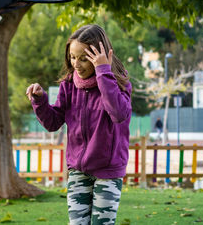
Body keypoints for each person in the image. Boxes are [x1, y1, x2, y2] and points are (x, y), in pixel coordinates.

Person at [26, 24, 132, 225]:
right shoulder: (68, 85)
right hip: (78, 169)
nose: (76, 64)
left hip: (108, 171)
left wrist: (103, 72)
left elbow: (118, 113)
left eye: (83, 58)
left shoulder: (119, 83)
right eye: (73, 57)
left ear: (99, 56)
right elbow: (53, 122)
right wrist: (40, 101)